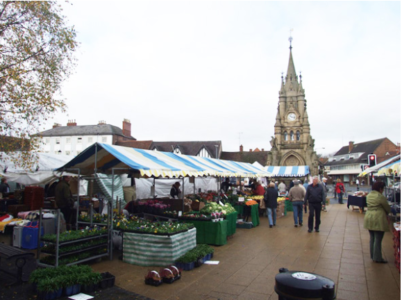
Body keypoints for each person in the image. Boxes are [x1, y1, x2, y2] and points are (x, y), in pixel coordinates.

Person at [363, 181, 391, 263]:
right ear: (380, 189)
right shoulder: (380, 196)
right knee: (378, 238)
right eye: (382, 189)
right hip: (378, 218)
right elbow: (387, 208)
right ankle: (378, 257)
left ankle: (373, 256)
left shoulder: (369, 195)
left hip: (368, 217)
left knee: (372, 238)